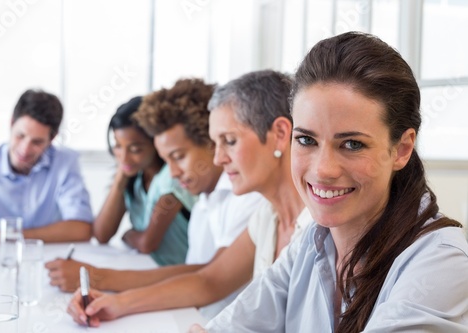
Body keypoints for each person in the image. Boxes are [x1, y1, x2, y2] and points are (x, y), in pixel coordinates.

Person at [196, 32, 468, 332]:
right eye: (306, 140)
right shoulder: (312, 241)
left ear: (402, 149)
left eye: (352, 144)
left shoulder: (441, 260)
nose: (323, 170)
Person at [65, 70, 312, 327]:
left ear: (281, 134)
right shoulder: (267, 215)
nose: (218, 159)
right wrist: (118, 303)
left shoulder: (317, 229)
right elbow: (210, 280)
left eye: (229, 141)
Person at [46, 78, 263, 318]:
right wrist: (115, 299)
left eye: (178, 156)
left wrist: (107, 283)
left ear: (211, 143)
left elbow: (210, 277)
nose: (172, 173)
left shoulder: (247, 198)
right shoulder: (205, 201)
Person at [47, 97, 195, 269]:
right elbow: (102, 234)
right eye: (117, 146)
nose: (124, 157)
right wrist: (120, 178)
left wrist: (128, 234)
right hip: (149, 267)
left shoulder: (170, 178)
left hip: (180, 272)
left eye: (135, 149)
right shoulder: (135, 178)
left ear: (155, 143)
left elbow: (147, 243)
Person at [0, 89, 93, 244]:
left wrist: (6, 235)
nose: (25, 150)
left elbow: (81, 229)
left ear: (52, 138)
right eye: (20, 136)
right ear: (11, 123)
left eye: (37, 142)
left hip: (48, 255)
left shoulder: (65, 163)